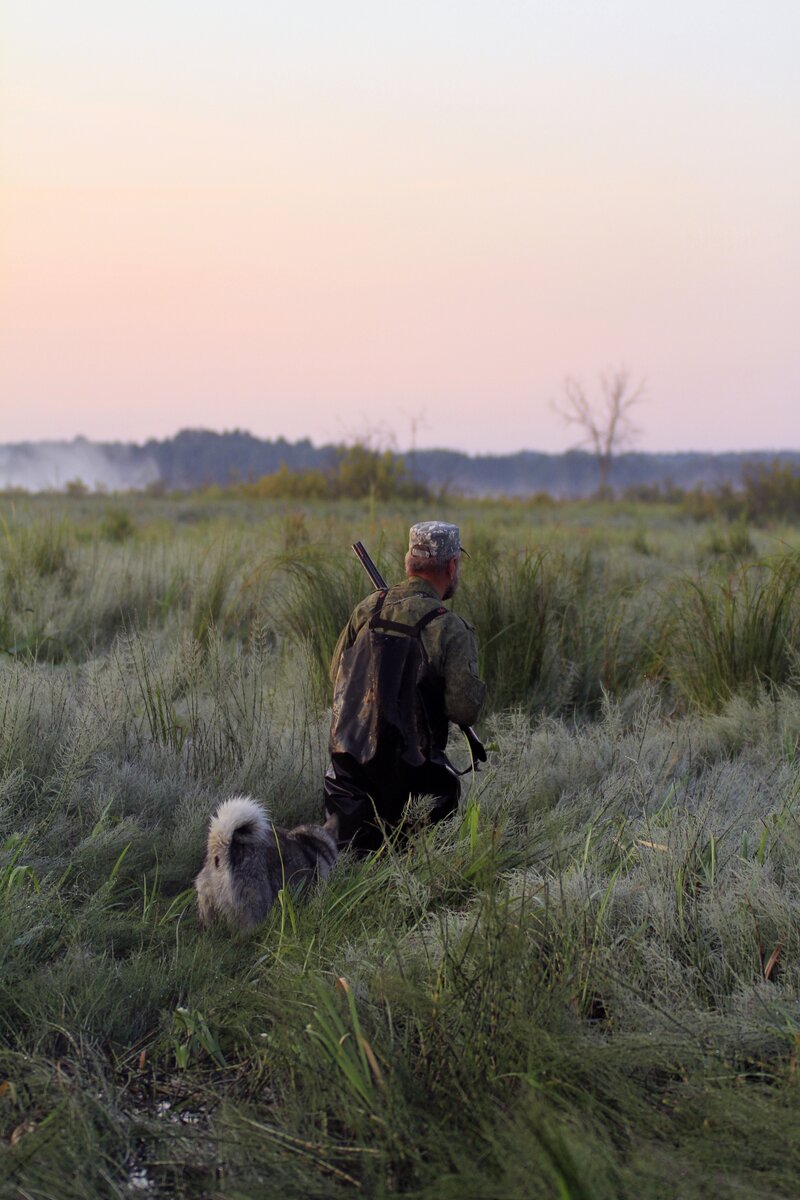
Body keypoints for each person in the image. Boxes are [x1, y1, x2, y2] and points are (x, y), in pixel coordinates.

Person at [324, 521, 486, 852]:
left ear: (408, 562)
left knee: (345, 872)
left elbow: (336, 676)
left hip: (350, 782)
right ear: (452, 566)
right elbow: (464, 710)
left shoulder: (368, 608)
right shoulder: (449, 627)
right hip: (417, 788)